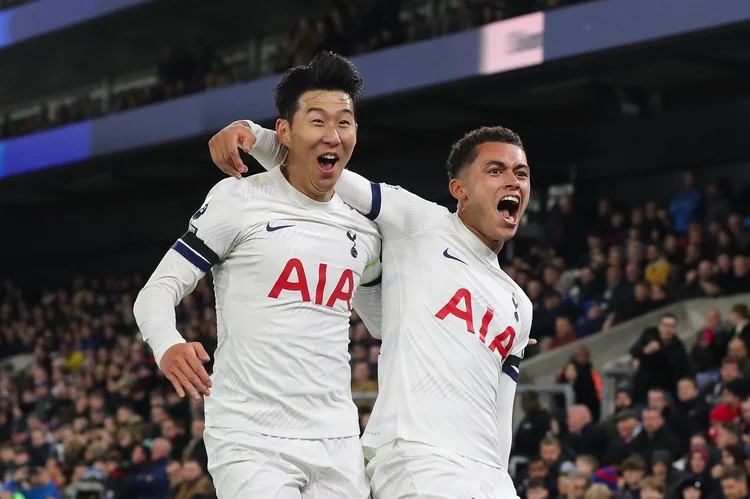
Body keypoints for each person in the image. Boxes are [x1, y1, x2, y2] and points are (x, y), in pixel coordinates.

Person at [208, 91, 535, 497]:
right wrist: (253, 136)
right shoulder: (420, 222)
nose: (512, 181)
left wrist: (499, 478)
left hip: (488, 476)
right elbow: (325, 172)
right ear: (460, 189)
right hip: (419, 461)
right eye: (496, 170)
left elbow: (502, 413)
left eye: (521, 174)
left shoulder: (519, 302)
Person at [134, 52, 383, 499]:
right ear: (284, 131)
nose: (333, 135)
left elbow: (385, 321)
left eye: (344, 122)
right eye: (318, 121)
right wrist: (166, 344)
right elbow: (157, 291)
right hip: (251, 437)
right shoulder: (239, 200)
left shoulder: (364, 230)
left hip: (338, 440)